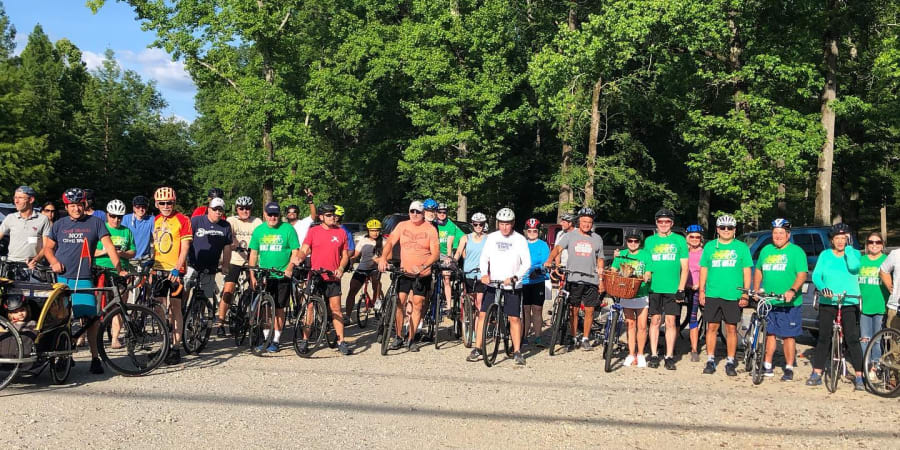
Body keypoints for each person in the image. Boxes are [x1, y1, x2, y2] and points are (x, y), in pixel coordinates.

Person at [44, 187, 126, 374]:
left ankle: (95, 357)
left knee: (91, 320)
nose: (76, 209)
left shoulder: (95, 223)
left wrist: (119, 269)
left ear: (85, 204)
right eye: (72, 205)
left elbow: (110, 247)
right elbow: (48, 248)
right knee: (61, 320)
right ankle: (64, 355)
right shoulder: (59, 224)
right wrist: (54, 261)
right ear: (67, 206)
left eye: (79, 205)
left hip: (84, 278)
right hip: (62, 278)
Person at [467, 208, 531, 365]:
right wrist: (484, 273)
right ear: (497, 224)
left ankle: (516, 351)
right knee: (483, 315)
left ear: (513, 224)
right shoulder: (492, 238)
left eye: (508, 224)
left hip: (512, 285)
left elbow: (526, 263)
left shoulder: (520, 239)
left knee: (514, 318)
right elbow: (484, 258)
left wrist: (515, 277)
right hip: (493, 283)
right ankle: (478, 348)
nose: (504, 227)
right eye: (502, 224)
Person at [377, 200, 440, 352]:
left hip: (421, 274)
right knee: (399, 303)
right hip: (405, 272)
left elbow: (436, 253)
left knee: (418, 305)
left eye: (418, 212)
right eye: (412, 211)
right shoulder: (402, 225)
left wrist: (423, 266)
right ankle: (398, 336)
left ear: (423, 213)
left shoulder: (430, 229)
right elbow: (391, 242)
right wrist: (383, 258)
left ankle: (411, 339)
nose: (415, 214)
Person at [808, 223, 864, 389]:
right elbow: (817, 275)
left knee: (852, 338)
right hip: (828, 301)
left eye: (843, 238)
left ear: (848, 239)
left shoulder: (853, 253)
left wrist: (848, 251)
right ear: (832, 240)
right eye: (837, 238)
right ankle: (817, 372)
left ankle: (860, 376)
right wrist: (822, 287)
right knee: (824, 337)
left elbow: (855, 268)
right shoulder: (825, 255)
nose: (840, 241)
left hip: (848, 301)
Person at [752, 218, 807, 381]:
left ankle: (789, 367)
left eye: (781, 233)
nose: (778, 236)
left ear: (788, 235)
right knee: (770, 333)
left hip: (788, 302)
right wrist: (756, 289)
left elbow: (802, 274)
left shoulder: (796, 252)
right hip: (769, 301)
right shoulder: (766, 250)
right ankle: (767, 365)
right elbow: (759, 270)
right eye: (775, 233)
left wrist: (792, 290)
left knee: (788, 336)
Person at [545, 207, 605, 351]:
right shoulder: (570, 236)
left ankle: (585, 338)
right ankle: (572, 336)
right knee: (573, 309)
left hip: (591, 278)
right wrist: (549, 259)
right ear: (579, 221)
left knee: (590, 310)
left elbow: (600, 259)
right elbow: (558, 248)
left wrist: (601, 278)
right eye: (584, 221)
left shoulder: (597, 238)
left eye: (589, 222)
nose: (586, 224)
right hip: (573, 277)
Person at [698, 215, 752, 377]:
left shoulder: (741, 247)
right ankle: (710, 359)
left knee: (731, 328)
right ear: (717, 230)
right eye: (723, 228)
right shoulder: (709, 247)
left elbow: (747, 271)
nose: (726, 231)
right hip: (713, 293)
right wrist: (702, 291)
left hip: (733, 294)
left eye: (729, 228)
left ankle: (730, 361)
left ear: (734, 230)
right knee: (711, 327)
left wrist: (745, 293)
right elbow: (704, 269)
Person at [296, 203, 351, 355]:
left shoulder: (341, 232)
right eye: (328, 215)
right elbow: (305, 249)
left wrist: (340, 268)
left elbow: (345, 255)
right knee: (310, 307)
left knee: (336, 309)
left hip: (332, 276)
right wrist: (298, 259)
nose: (333, 217)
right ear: (321, 217)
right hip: (315, 275)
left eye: (333, 214)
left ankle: (341, 341)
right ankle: (305, 340)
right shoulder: (314, 231)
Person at [249, 202, 302, 353]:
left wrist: (289, 268)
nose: (273, 217)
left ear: (280, 215)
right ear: (265, 214)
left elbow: (295, 251)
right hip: (264, 275)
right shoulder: (259, 230)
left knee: (279, 308)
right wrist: (252, 274)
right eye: (270, 214)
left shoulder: (288, 229)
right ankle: (266, 337)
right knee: (265, 307)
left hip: (281, 275)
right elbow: (253, 253)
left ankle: (276, 339)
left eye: (276, 215)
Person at [151, 186, 193, 364]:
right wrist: (151, 265)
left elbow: (185, 247)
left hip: (175, 272)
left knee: (175, 309)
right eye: (162, 203)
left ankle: (175, 347)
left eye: (169, 203)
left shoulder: (182, 220)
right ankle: (164, 344)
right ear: (157, 204)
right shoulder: (156, 220)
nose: (166, 206)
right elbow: (155, 244)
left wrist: (177, 268)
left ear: (174, 203)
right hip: (158, 269)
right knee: (159, 308)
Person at [643, 208, 688, 370]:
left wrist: (681, 288)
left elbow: (685, 267)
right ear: (656, 223)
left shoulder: (679, 240)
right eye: (660, 222)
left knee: (670, 322)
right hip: (654, 287)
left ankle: (669, 355)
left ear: (672, 223)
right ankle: (654, 354)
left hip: (672, 288)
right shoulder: (649, 241)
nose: (663, 224)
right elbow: (646, 264)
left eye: (667, 221)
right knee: (655, 321)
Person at [187, 197, 233, 336]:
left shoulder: (225, 226)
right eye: (215, 209)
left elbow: (227, 247)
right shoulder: (196, 221)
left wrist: (225, 265)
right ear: (209, 209)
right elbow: (186, 241)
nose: (218, 212)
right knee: (183, 290)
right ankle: (182, 314)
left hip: (210, 267)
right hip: (192, 264)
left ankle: (197, 322)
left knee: (204, 297)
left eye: (220, 210)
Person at [94, 199, 136, 347]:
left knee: (119, 306)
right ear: (107, 215)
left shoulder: (126, 231)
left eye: (119, 217)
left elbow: (133, 252)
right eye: (113, 216)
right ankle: (88, 337)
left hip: (121, 271)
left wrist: (123, 253)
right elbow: (91, 251)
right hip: (102, 270)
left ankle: (115, 338)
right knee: (97, 305)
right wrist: (106, 251)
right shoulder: (100, 228)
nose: (116, 219)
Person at [610, 228, 651, 367]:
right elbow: (614, 270)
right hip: (626, 293)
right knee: (630, 324)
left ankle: (640, 354)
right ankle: (631, 353)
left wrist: (646, 276)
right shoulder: (621, 255)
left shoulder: (646, 255)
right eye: (630, 241)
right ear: (626, 242)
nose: (633, 243)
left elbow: (648, 272)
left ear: (640, 242)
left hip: (642, 293)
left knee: (642, 326)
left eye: (636, 241)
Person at [219, 196, 261, 325]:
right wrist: (236, 245)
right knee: (228, 289)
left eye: (247, 208)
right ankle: (220, 321)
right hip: (235, 259)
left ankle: (255, 319)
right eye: (241, 208)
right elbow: (230, 236)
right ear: (237, 209)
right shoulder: (231, 220)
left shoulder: (257, 222)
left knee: (257, 288)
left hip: (252, 261)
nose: (244, 211)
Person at [0, 186, 51, 276]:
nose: (16, 201)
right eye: (15, 197)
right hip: (11, 266)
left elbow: (47, 246)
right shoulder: (10, 218)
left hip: (34, 267)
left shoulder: (43, 219)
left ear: (31, 200)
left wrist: (36, 260)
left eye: (20, 198)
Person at [453, 212, 489, 340]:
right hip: (468, 273)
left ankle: (477, 330)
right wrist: (453, 261)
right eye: (476, 224)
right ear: (472, 224)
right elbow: (458, 252)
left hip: (482, 274)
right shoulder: (465, 238)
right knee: (469, 301)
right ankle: (468, 325)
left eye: (481, 224)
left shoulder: (488, 239)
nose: (478, 226)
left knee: (479, 303)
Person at [858, 231, 888, 378]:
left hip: (881, 306)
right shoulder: (861, 260)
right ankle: (866, 365)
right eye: (871, 242)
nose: (874, 245)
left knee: (877, 340)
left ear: (882, 245)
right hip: (864, 306)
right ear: (867, 245)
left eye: (877, 242)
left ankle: (876, 367)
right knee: (864, 339)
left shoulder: (886, 260)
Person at [344, 219, 383, 322]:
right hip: (362, 268)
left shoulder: (383, 241)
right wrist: (350, 262)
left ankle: (377, 305)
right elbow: (356, 254)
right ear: (368, 231)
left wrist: (380, 261)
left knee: (376, 284)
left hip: (375, 269)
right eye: (372, 230)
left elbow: (388, 256)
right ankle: (347, 316)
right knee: (352, 291)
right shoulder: (363, 240)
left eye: (377, 230)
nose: (375, 233)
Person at [522, 218, 549, 348]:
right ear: (526, 231)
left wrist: (537, 270)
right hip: (524, 281)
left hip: (538, 280)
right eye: (530, 231)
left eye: (535, 231)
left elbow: (545, 263)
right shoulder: (521, 244)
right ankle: (524, 336)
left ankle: (538, 336)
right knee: (525, 309)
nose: (532, 233)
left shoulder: (543, 245)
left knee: (537, 309)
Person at [436, 203, 465, 310]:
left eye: (444, 212)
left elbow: (450, 242)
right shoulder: (433, 224)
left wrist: (449, 257)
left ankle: (448, 305)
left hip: (445, 253)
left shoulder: (451, 225)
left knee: (446, 277)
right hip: (434, 252)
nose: (442, 214)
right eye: (440, 212)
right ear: (436, 213)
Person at [684, 224, 705, 362]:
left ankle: (694, 349)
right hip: (684, 287)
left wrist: (700, 286)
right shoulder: (683, 252)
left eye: (697, 237)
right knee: (674, 317)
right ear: (687, 238)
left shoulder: (704, 252)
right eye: (692, 237)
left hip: (699, 288)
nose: (694, 239)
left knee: (696, 317)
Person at [0, 294, 37, 369]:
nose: (20, 314)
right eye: (16, 312)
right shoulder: (6, 324)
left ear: (27, 309)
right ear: (10, 315)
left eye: (22, 310)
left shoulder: (31, 323)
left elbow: (32, 333)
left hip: (22, 352)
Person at [123, 195, 155, 260]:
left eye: (144, 207)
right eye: (138, 207)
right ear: (134, 208)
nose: (141, 209)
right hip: (128, 258)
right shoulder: (126, 219)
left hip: (145, 259)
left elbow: (156, 238)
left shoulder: (151, 220)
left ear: (147, 208)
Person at [879, 247, 900, 330]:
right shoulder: (896, 254)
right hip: (896, 307)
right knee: (895, 341)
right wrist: (890, 287)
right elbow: (883, 270)